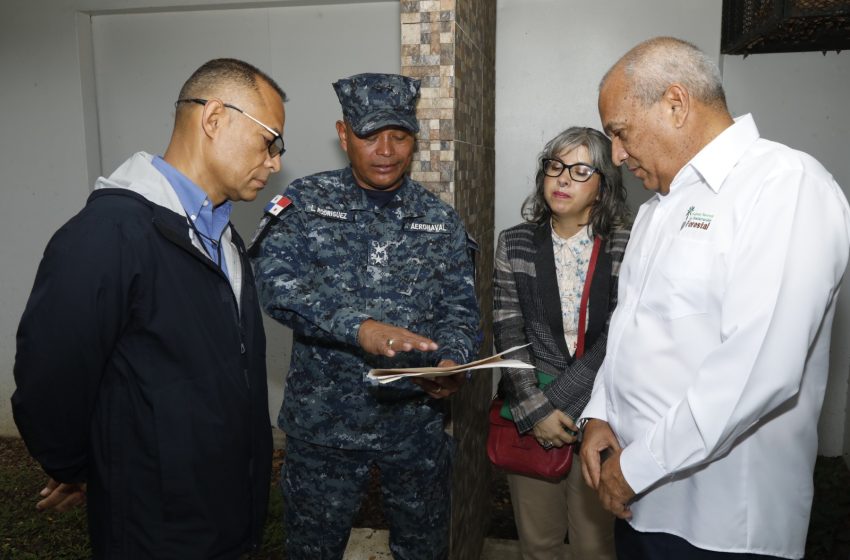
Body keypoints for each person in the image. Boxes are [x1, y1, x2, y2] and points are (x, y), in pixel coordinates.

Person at [579, 36, 850, 560]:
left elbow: (758, 369)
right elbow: (632, 327)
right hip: (636, 501)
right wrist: (600, 413)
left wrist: (634, 469)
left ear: (676, 104)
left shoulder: (785, 185)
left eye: (620, 132)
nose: (615, 154)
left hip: (720, 524)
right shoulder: (660, 206)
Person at [11, 58, 286, 558]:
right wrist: (78, 467)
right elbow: (50, 377)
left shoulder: (222, 235)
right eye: (270, 140)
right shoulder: (108, 235)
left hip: (224, 512)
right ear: (214, 118)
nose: (274, 162)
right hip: (155, 526)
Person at [249, 72, 479, 560]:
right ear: (343, 133)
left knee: (423, 549)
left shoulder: (439, 220)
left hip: (414, 427)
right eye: (370, 135)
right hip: (325, 428)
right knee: (313, 551)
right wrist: (360, 328)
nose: (386, 149)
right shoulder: (304, 205)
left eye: (399, 136)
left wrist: (451, 362)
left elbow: (460, 309)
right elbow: (276, 287)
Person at [494, 126, 629, 560]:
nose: (563, 179)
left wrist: (563, 405)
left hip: (603, 411)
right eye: (555, 166)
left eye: (580, 169)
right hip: (532, 408)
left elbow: (620, 336)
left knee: (594, 545)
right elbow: (508, 331)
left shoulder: (628, 243)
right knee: (539, 544)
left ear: (603, 183)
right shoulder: (514, 243)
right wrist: (536, 412)